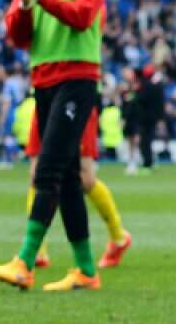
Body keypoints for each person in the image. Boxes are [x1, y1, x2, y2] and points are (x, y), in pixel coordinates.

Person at [0, 0, 112, 292]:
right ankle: (86, 269)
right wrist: (26, 3)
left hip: (77, 77)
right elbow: (18, 36)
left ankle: (24, 261)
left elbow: (83, 15)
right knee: (71, 178)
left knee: (48, 170)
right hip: (42, 80)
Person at [25, 102, 132, 269]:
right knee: (37, 176)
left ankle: (119, 238)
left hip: (75, 100)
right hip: (45, 98)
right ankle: (38, 251)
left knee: (85, 179)